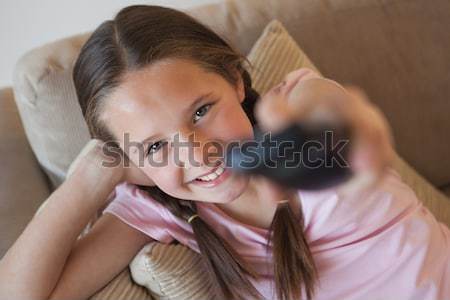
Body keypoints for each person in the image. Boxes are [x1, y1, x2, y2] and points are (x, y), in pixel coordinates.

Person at [0, 5, 449, 300]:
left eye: (200, 111)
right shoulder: (160, 207)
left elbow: (343, 122)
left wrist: (329, 124)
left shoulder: (294, 106)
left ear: (236, 81)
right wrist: (87, 182)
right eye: (156, 145)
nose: (197, 153)